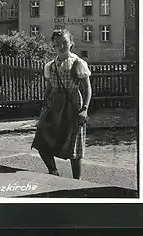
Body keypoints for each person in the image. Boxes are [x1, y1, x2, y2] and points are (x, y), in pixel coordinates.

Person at [31, 29, 92, 179]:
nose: (61, 46)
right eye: (57, 44)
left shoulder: (78, 63)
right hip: (54, 106)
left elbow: (87, 88)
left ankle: (76, 182)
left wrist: (84, 109)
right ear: (53, 46)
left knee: (74, 145)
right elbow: (49, 88)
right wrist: (44, 107)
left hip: (73, 106)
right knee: (42, 139)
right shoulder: (50, 66)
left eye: (64, 42)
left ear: (71, 43)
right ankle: (53, 171)